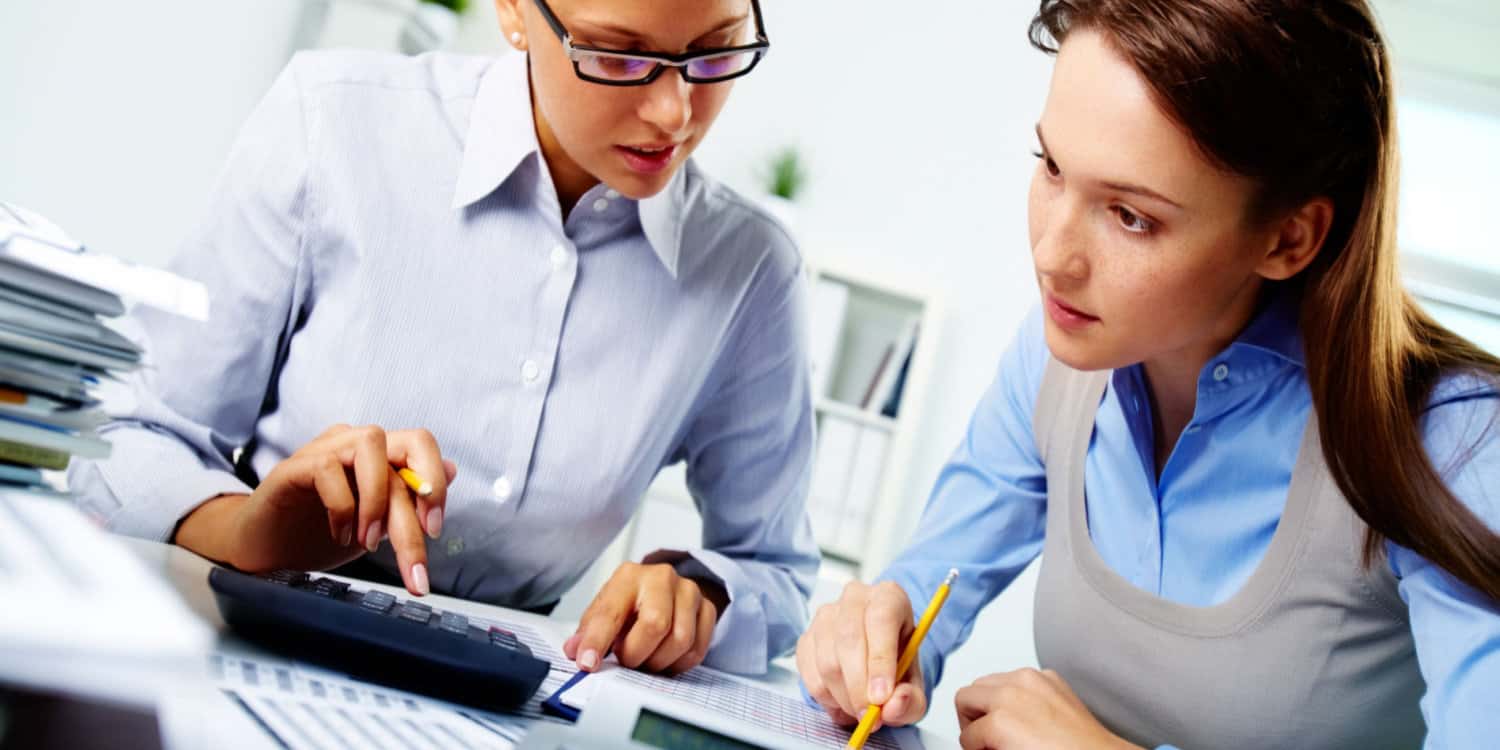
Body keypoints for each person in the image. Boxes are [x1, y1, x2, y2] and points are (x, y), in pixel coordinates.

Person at [795, 1, 1499, 747]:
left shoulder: (1457, 438)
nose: (1051, 257)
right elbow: (930, 584)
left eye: (1131, 216)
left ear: (1289, 238)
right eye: (1052, 167)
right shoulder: (1057, 361)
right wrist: (872, 640)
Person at [69, 0, 818, 677]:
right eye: (617, 58)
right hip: (234, 646)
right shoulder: (330, 123)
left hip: (511, 705)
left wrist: (700, 592)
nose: (672, 112)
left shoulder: (750, 273)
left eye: (715, 56)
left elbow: (776, 572)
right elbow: (126, 437)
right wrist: (242, 530)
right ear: (516, 12)